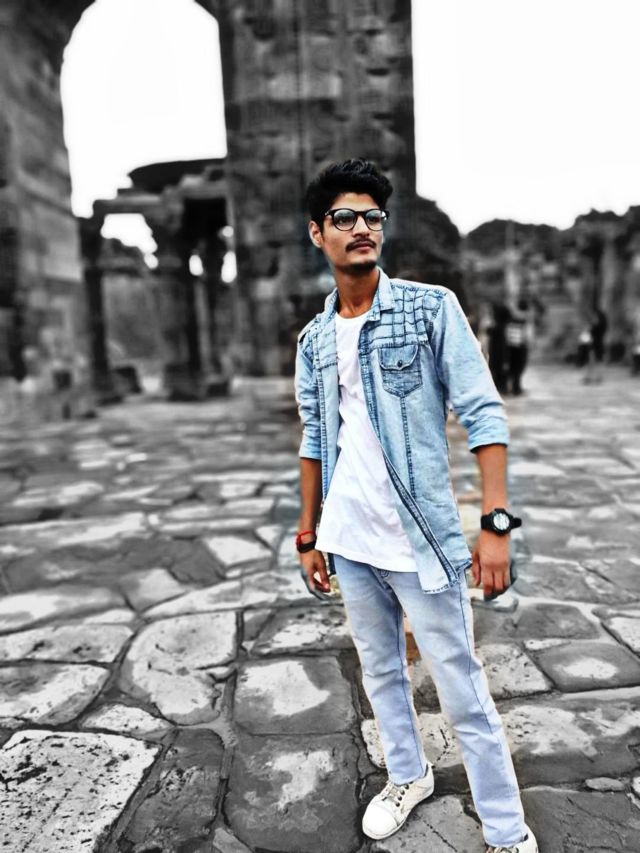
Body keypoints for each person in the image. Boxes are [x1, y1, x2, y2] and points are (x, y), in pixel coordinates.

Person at [294, 159, 538, 853]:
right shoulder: (314, 340)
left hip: (421, 539)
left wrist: (495, 524)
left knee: (462, 686)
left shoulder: (430, 309)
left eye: (373, 216)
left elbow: (484, 413)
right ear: (318, 232)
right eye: (345, 217)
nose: (362, 228)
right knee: (380, 672)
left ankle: (505, 828)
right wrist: (309, 533)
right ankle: (407, 774)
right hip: (349, 537)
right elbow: (315, 438)